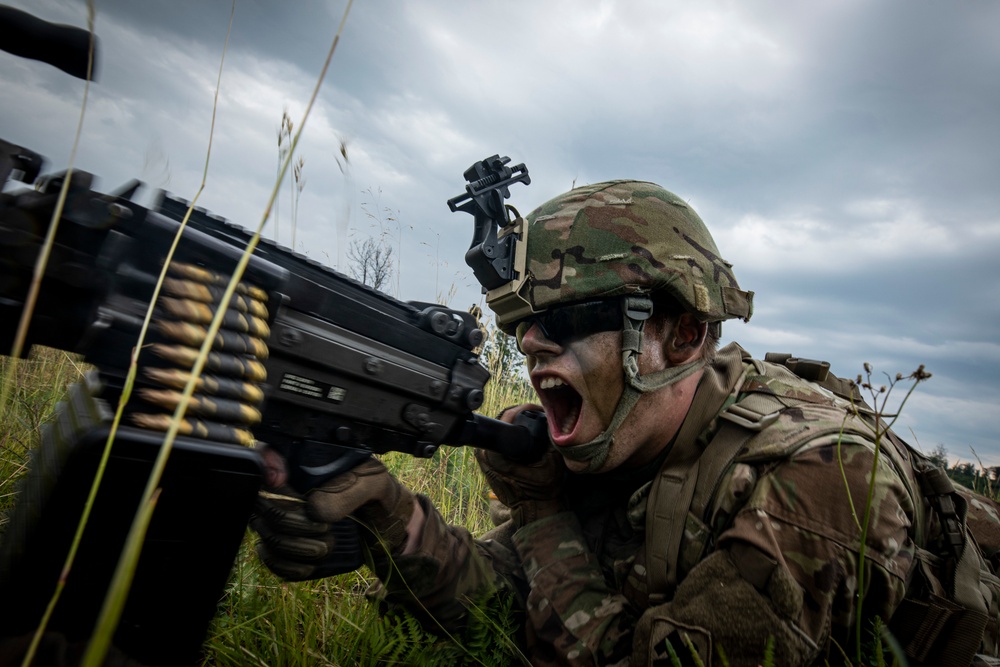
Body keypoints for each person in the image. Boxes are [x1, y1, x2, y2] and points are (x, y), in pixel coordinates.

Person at [252, 180, 1000, 666]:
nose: (534, 344)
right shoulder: (622, 436)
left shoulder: (819, 481)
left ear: (679, 337)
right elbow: (513, 607)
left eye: (571, 318)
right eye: (527, 324)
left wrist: (541, 508)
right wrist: (391, 518)